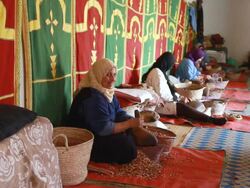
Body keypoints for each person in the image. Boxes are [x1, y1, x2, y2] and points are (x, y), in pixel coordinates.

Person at [67, 58, 157, 164]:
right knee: (128, 148)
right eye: (108, 75)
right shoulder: (91, 96)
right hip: (85, 140)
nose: (113, 79)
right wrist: (129, 124)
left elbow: (118, 111)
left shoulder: (106, 91)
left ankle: (132, 134)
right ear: (98, 75)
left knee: (127, 133)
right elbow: (103, 129)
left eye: (114, 74)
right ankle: (131, 137)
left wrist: (131, 120)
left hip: (100, 130)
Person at [142, 52, 227, 125]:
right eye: (171, 65)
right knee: (182, 107)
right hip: (158, 105)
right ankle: (211, 120)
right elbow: (162, 94)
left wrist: (179, 97)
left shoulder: (160, 71)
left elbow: (168, 89)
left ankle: (206, 117)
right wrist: (176, 99)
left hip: (163, 100)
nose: (170, 67)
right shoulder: (157, 72)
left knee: (189, 104)